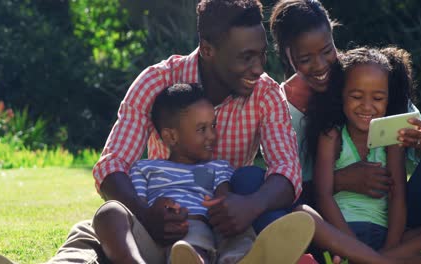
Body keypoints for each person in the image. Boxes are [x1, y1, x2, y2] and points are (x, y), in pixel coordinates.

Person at [48, 1, 305, 263]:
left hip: (223, 223)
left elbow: (287, 169)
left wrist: (252, 205)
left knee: (244, 216)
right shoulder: (157, 82)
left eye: (262, 54)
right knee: (94, 227)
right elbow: (112, 164)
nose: (259, 67)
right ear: (207, 49)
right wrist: (145, 214)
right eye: (245, 57)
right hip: (156, 214)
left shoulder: (266, 94)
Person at [92, 83, 315, 264]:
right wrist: (158, 208)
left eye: (213, 126)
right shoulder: (145, 168)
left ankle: (246, 258)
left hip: (203, 228)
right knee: (112, 212)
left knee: (228, 230)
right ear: (171, 137)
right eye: (202, 129)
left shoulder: (215, 168)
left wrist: (220, 204)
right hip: (163, 234)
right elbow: (138, 208)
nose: (212, 136)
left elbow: (223, 200)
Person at [269, 0, 421, 232]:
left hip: (393, 216)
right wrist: (340, 180)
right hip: (329, 219)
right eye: (305, 59)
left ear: (332, 36)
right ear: (287, 55)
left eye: (327, 51)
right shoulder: (280, 108)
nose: (320, 66)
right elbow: (284, 188)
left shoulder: (364, 74)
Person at [311, 47, 421, 257]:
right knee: (305, 215)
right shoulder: (332, 136)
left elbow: (398, 197)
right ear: (342, 94)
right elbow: (323, 195)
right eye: (356, 96)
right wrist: (353, 247)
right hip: (342, 235)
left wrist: (391, 245)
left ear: (388, 99)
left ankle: (377, 259)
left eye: (378, 99)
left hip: (382, 237)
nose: (367, 106)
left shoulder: (391, 142)